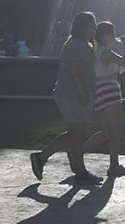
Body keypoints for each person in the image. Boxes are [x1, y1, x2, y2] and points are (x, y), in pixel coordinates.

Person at [30, 11, 100, 184]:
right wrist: (83, 93)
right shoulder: (77, 45)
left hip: (70, 93)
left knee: (75, 134)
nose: (95, 28)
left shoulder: (77, 43)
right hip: (73, 94)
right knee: (76, 134)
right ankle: (45, 158)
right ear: (84, 26)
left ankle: (77, 168)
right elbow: (77, 72)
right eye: (92, 25)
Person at [84, 21, 125, 177]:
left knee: (105, 131)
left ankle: (77, 152)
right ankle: (114, 166)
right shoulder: (106, 52)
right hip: (110, 90)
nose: (114, 36)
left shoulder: (96, 52)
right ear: (105, 35)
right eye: (112, 33)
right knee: (115, 131)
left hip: (99, 91)